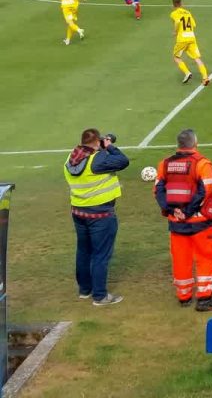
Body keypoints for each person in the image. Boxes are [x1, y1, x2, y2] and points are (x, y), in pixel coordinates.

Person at [154, 129, 212, 311]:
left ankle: (184, 296)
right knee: (206, 257)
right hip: (199, 222)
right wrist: (187, 211)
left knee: (180, 259)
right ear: (195, 143)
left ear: (179, 145)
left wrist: (171, 210)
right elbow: (205, 191)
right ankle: (204, 299)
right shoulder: (202, 164)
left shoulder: (165, 164)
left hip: (176, 223)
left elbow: (158, 191)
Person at [65, 128, 129, 306]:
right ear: (96, 142)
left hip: (78, 212)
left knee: (84, 251)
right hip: (100, 214)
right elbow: (123, 161)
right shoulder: (97, 160)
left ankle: (85, 290)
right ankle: (100, 296)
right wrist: (109, 147)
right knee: (100, 255)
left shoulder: (70, 158)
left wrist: (100, 149)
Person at [170, 0, 210, 86]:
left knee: (176, 57)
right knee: (197, 58)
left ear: (173, 5)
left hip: (182, 38)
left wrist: (175, 31)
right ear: (181, 3)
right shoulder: (188, 12)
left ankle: (187, 73)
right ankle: (205, 77)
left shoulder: (174, 13)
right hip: (191, 37)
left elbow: (177, 22)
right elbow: (194, 25)